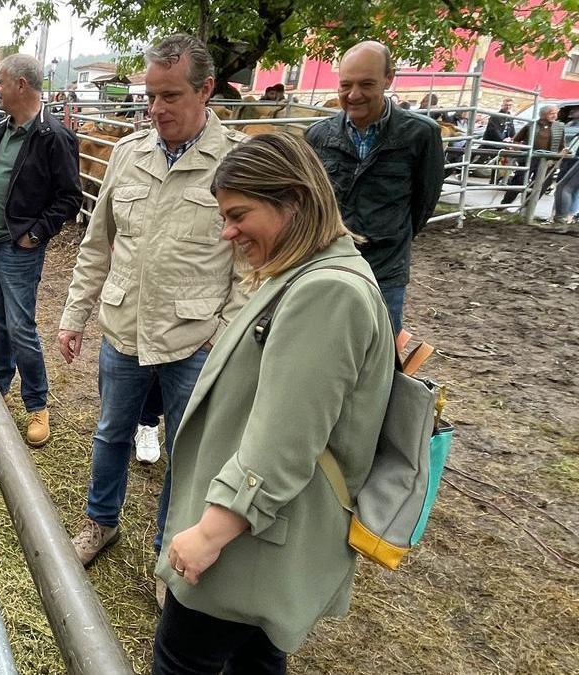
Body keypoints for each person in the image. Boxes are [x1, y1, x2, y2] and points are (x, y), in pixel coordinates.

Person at [153, 131, 394, 675]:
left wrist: (211, 532)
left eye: (240, 214)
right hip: (264, 532)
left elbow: (286, 439)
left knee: (185, 660)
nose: (227, 232)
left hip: (252, 539)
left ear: (296, 200)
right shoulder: (305, 271)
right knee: (254, 662)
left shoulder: (325, 291)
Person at [58, 34, 249, 592]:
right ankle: (100, 523)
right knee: (112, 432)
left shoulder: (234, 161)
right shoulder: (128, 153)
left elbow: (248, 264)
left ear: (206, 90)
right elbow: (97, 243)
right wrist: (74, 316)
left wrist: (224, 336)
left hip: (195, 340)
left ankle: (172, 551)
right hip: (123, 329)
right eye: (151, 95)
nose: (156, 108)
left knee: (188, 454)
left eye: (170, 96)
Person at [0, 54, 82, 447]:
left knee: (20, 328)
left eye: (0, 82)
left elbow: (69, 198)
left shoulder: (53, 137)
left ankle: (36, 404)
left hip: (17, 249)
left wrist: (36, 234)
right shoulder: (0, 130)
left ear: (22, 85)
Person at [305, 41, 444, 334]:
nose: (354, 95)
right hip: (330, 264)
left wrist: (390, 235)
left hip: (385, 270)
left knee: (378, 354)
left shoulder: (420, 134)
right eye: (346, 85)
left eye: (366, 84)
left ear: (388, 78)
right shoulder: (317, 136)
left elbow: (424, 202)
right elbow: (310, 201)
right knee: (325, 345)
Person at [500, 104, 564, 205]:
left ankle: (527, 206)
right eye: (552, 113)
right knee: (519, 181)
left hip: (548, 161)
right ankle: (504, 204)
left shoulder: (559, 127)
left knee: (542, 184)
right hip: (530, 158)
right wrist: (520, 153)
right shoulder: (532, 125)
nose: (555, 116)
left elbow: (561, 146)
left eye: (556, 113)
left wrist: (555, 159)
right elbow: (516, 140)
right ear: (543, 114)